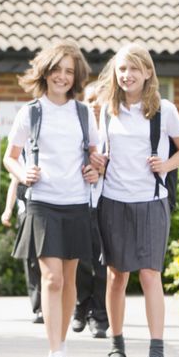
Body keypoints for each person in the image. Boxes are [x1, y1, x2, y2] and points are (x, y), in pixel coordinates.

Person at [94, 43, 179, 357]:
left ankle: (156, 353)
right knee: (117, 275)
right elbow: (100, 153)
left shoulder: (165, 110)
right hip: (113, 200)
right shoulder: (107, 109)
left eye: (135, 68)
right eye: (122, 69)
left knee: (150, 275)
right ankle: (116, 346)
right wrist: (98, 162)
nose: (127, 75)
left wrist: (164, 165)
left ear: (148, 72)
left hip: (152, 202)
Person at [3, 40, 100, 357]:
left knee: (70, 278)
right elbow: (10, 157)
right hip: (42, 203)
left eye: (69, 72)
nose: (62, 77)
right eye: (57, 70)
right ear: (46, 72)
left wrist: (95, 168)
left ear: (77, 77)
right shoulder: (30, 112)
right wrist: (22, 173)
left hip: (76, 203)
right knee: (52, 277)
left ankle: (61, 348)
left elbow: (96, 155)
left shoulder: (84, 113)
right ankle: (54, 350)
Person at [71, 81, 109, 338]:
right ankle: (81, 305)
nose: (94, 103)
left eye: (99, 99)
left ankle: (100, 317)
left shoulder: (113, 131)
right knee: (80, 261)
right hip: (80, 202)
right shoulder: (78, 129)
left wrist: (104, 169)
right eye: (90, 98)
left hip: (106, 203)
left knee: (103, 263)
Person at [2, 165, 43, 324]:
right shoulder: (21, 153)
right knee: (31, 261)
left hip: (48, 209)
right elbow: (14, 182)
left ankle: (52, 305)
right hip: (25, 214)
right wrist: (8, 210)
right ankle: (39, 308)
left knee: (48, 261)